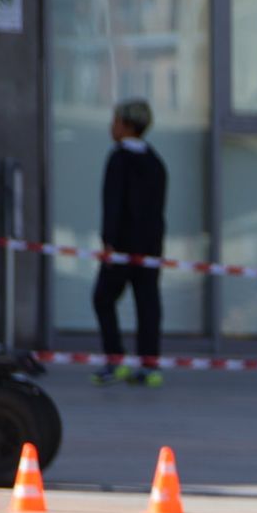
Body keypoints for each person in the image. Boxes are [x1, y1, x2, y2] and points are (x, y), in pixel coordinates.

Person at [91, 99, 169, 388]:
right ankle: (150, 366)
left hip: (122, 247)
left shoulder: (119, 158)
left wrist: (109, 242)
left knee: (102, 297)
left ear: (125, 125)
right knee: (147, 302)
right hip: (150, 247)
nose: (112, 127)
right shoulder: (155, 162)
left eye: (115, 121)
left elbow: (113, 204)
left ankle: (116, 360)